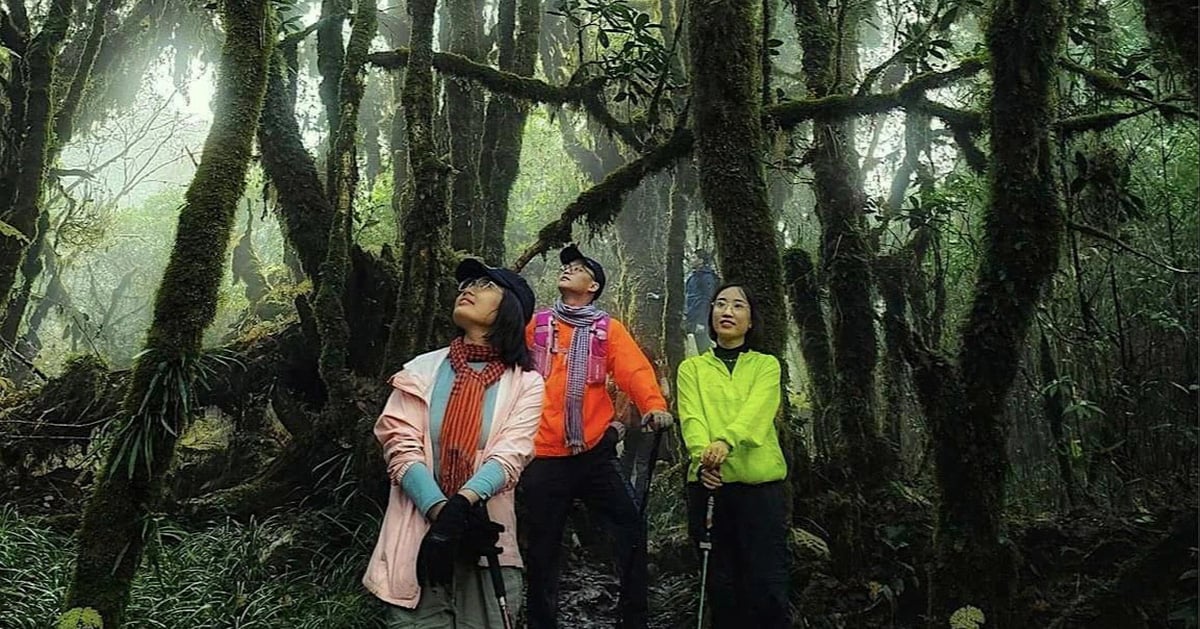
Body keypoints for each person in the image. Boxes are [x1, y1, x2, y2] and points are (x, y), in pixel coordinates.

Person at [363, 258, 545, 628]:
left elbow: (511, 455)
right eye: (467, 283)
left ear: (510, 308)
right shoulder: (421, 370)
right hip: (416, 537)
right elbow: (400, 446)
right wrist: (440, 514)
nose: (468, 289)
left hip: (486, 537)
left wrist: (462, 506)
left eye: (485, 284)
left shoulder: (526, 383)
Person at [519, 243, 674, 629]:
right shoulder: (536, 325)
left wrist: (653, 404)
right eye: (567, 265)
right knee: (542, 546)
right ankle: (541, 621)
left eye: (579, 267)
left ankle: (633, 618)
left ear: (594, 287)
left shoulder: (608, 329)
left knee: (631, 527)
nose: (568, 269)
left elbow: (634, 371)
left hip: (592, 453)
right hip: (542, 455)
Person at [676, 283, 791, 629]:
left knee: (766, 582)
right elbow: (691, 417)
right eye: (721, 304)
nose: (728, 311)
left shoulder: (766, 365)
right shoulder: (691, 369)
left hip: (761, 490)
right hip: (709, 486)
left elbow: (758, 412)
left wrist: (724, 443)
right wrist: (703, 458)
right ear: (710, 315)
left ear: (751, 320)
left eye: (738, 306)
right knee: (721, 584)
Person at [684, 249, 719, 354]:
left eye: (694, 257)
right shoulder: (692, 277)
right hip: (691, 316)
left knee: (704, 347)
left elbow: (707, 299)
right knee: (700, 347)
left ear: (701, 260)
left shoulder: (707, 277)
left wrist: (701, 322)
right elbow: (684, 295)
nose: (691, 259)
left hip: (701, 319)